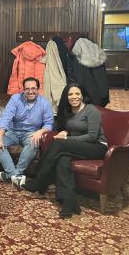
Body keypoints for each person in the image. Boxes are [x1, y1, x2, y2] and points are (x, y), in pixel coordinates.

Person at [17, 83, 108, 218]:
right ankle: (68, 202)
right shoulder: (70, 112)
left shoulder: (91, 110)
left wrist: (68, 139)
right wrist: (66, 132)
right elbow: (75, 129)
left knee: (59, 145)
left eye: (77, 93)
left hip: (97, 147)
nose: (74, 97)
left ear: (82, 95)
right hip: (81, 147)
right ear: (66, 96)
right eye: (70, 94)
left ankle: (39, 180)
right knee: (62, 160)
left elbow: (92, 136)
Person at [0, 77, 54, 184]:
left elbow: (49, 123)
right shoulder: (15, 99)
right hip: (13, 131)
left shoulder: (45, 103)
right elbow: (6, 117)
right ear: (23, 89)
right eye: (27, 89)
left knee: (33, 143)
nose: (30, 91)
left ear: (38, 89)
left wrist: (40, 132)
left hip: (31, 133)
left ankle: (11, 174)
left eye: (33, 88)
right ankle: (15, 175)